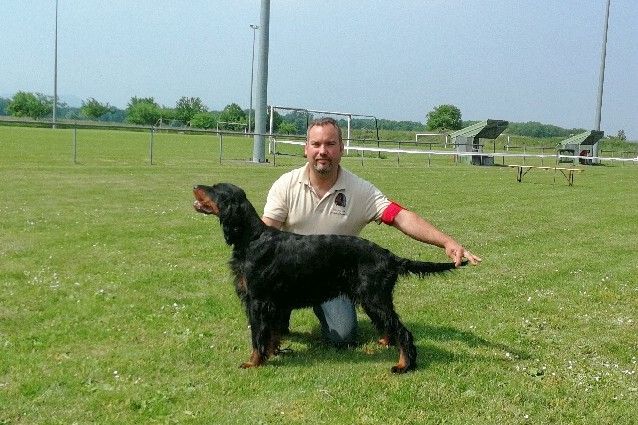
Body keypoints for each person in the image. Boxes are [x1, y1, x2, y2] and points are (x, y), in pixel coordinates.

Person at [262, 117, 481, 346]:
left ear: (342, 148)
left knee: (343, 336)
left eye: (330, 144)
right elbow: (265, 234)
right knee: (268, 308)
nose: (322, 151)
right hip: (290, 274)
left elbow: (400, 216)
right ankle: (278, 316)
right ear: (305, 149)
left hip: (335, 277)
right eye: (316, 144)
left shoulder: (360, 190)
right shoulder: (285, 185)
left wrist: (446, 242)